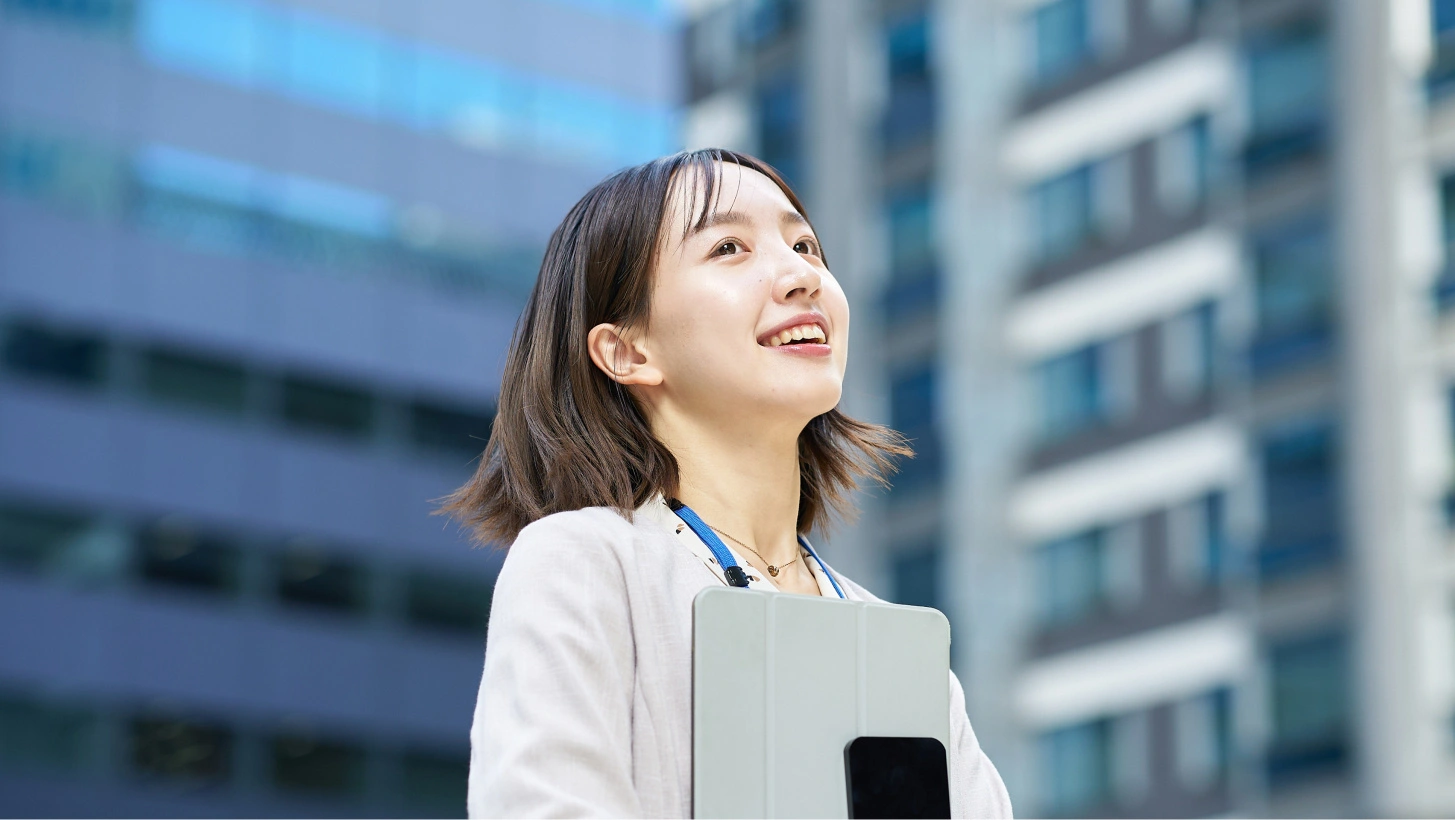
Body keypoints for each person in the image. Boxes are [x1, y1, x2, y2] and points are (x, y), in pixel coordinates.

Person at [439, 149, 1012, 818]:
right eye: (730, 247)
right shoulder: (585, 563)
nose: (801, 274)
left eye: (804, 244)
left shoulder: (895, 644)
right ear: (628, 351)